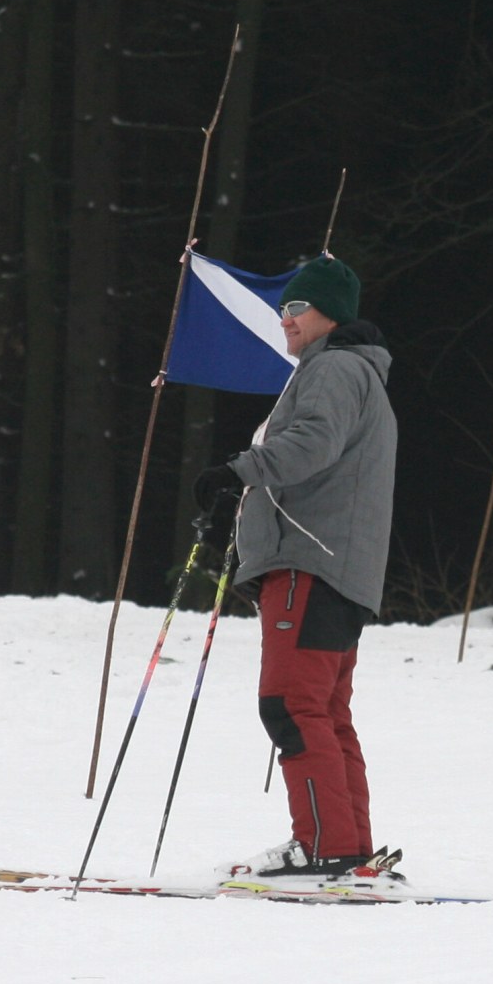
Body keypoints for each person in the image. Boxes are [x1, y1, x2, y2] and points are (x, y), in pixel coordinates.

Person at [192, 255, 397, 879]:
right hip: (338, 566)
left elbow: (312, 443)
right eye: (283, 307)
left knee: (290, 704)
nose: (285, 318)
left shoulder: (334, 369)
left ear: (330, 313)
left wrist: (238, 471)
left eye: (297, 308)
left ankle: (323, 847)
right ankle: (346, 847)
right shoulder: (355, 372)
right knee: (324, 711)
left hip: (310, 562)